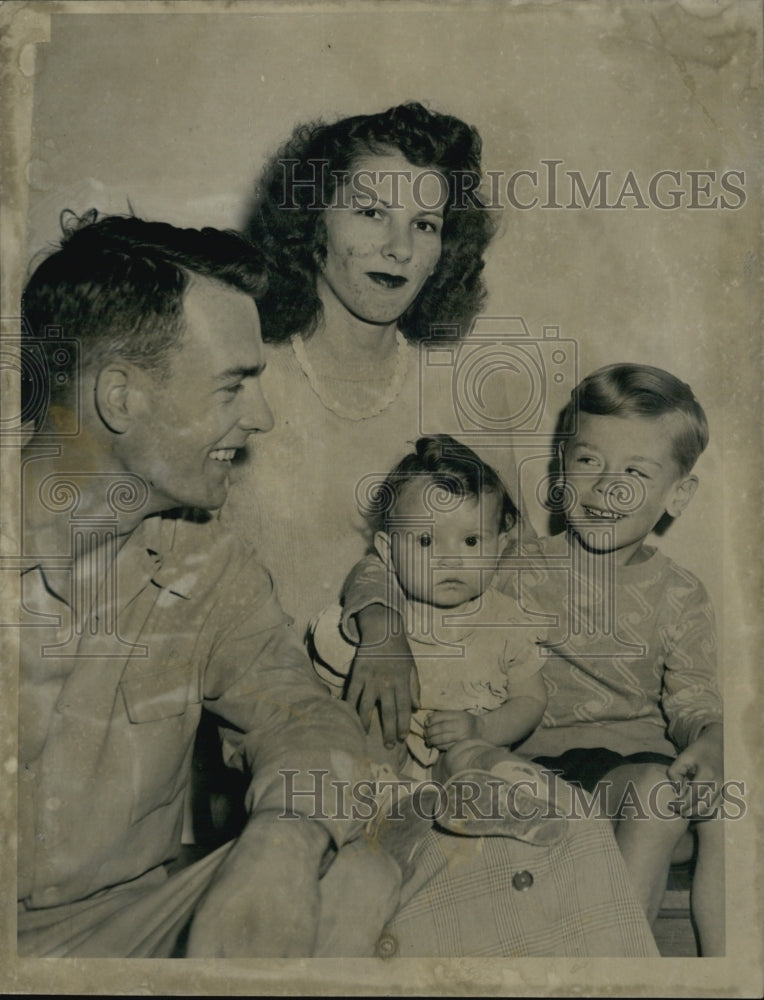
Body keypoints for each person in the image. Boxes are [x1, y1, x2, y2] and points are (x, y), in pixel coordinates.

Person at [15, 211, 401, 958]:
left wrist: (287, 837)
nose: (261, 416)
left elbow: (305, 716)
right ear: (120, 397)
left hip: (123, 930)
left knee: (357, 874)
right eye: (234, 386)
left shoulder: (211, 563)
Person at [343, 363, 725, 956]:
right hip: (532, 766)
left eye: (635, 472)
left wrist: (710, 736)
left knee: (687, 800)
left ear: (678, 493)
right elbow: (383, 562)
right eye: (588, 462)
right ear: (559, 470)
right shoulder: (513, 559)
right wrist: (381, 631)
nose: (606, 488)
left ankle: (669, 969)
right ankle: (603, 963)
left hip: (632, 770)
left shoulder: (681, 593)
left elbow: (694, 698)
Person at [221, 102, 506, 748]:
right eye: (371, 212)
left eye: (425, 224)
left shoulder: (455, 401)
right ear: (312, 218)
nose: (399, 248)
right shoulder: (240, 379)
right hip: (254, 732)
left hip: (418, 739)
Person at [311, 434, 548, 781]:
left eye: (471, 540)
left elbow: (531, 700)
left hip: (463, 755)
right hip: (384, 762)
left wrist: (481, 727)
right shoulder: (380, 616)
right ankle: (386, 804)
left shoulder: (509, 622)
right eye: (425, 540)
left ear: (499, 547)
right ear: (387, 551)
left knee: (473, 760)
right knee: (371, 731)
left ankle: (505, 798)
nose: (450, 558)